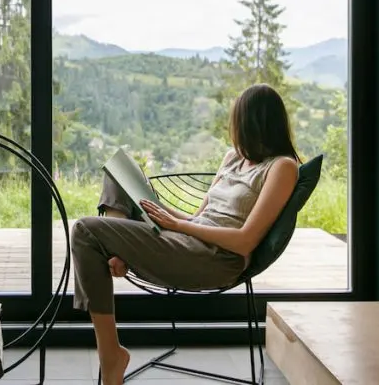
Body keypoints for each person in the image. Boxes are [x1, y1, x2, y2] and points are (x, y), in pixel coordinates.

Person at [70, 83, 301, 385]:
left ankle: (110, 353)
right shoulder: (232, 157)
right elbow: (198, 218)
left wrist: (178, 226)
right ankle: (117, 253)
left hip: (215, 259)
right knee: (119, 171)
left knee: (85, 230)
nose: (233, 130)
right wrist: (167, 217)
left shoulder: (282, 167)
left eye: (237, 122)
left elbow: (246, 239)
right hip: (187, 240)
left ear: (254, 124)